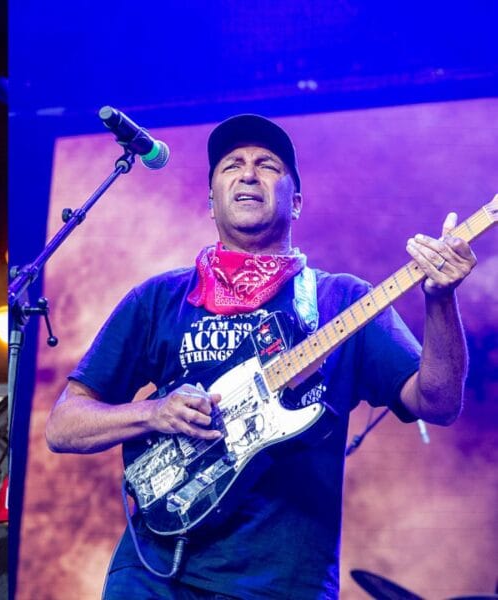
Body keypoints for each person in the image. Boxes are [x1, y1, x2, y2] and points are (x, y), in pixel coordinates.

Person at [44, 114, 476, 598]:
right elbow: (63, 426)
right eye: (231, 165)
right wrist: (153, 412)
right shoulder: (160, 298)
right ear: (211, 202)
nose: (248, 173)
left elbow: (438, 403)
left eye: (267, 164)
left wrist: (440, 299)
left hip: (283, 581)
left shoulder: (343, 301)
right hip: (152, 572)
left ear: (295, 202)